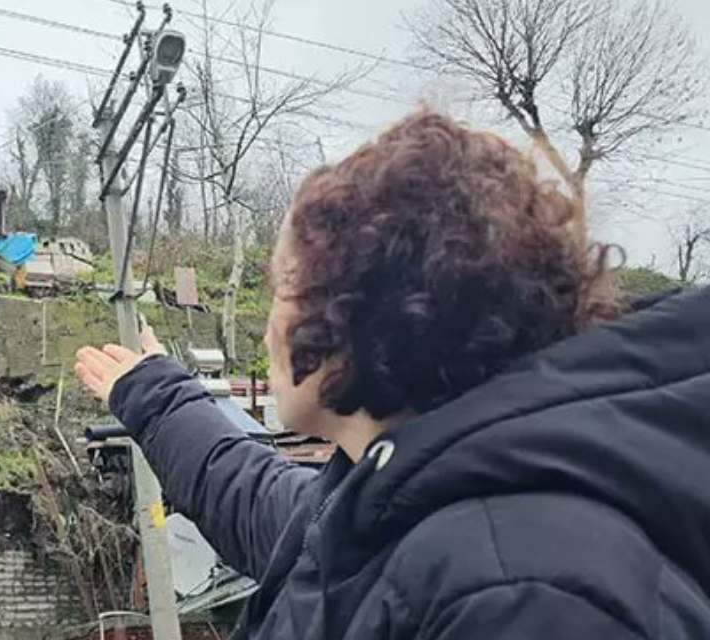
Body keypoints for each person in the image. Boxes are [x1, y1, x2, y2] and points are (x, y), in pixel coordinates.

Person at [75, 110, 710, 639]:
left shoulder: (522, 592)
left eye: (281, 286)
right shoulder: (398, 505)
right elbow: (253, 496)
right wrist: (153, 392)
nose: (267, 325)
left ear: (353, 311)